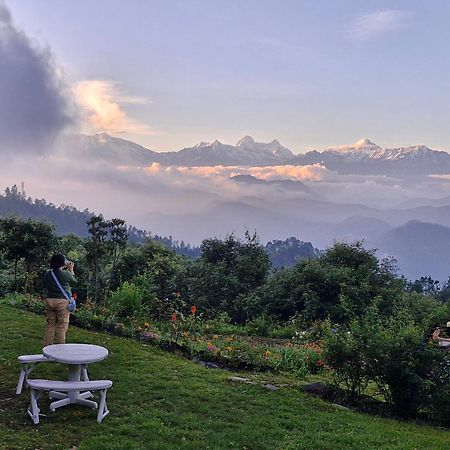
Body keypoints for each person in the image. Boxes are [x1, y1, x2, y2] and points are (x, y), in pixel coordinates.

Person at [42, 254, 77, 346]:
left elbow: (44, 284)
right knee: (61, 326)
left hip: (49, 300)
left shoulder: (48, 273)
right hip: (62, 302)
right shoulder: (67, 274)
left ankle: (47, 347)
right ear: (62, 263)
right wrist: (71, 270)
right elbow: (75, 282)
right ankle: (59, 350)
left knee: (50, 325)